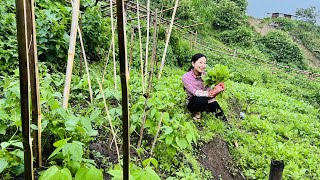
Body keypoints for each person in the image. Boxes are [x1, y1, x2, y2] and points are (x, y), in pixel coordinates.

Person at [182, 53, 227, 122]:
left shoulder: (206, 76)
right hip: (193, 102)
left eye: (205, 63)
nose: (203, 65)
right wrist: (211, 92)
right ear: (193, 64)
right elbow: (195, 93)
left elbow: (211, 95)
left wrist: (217, 89)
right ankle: (197, 114)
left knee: (221, 116)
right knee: (201, 100)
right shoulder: (186, 77)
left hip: (207, 100)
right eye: (200, 62)